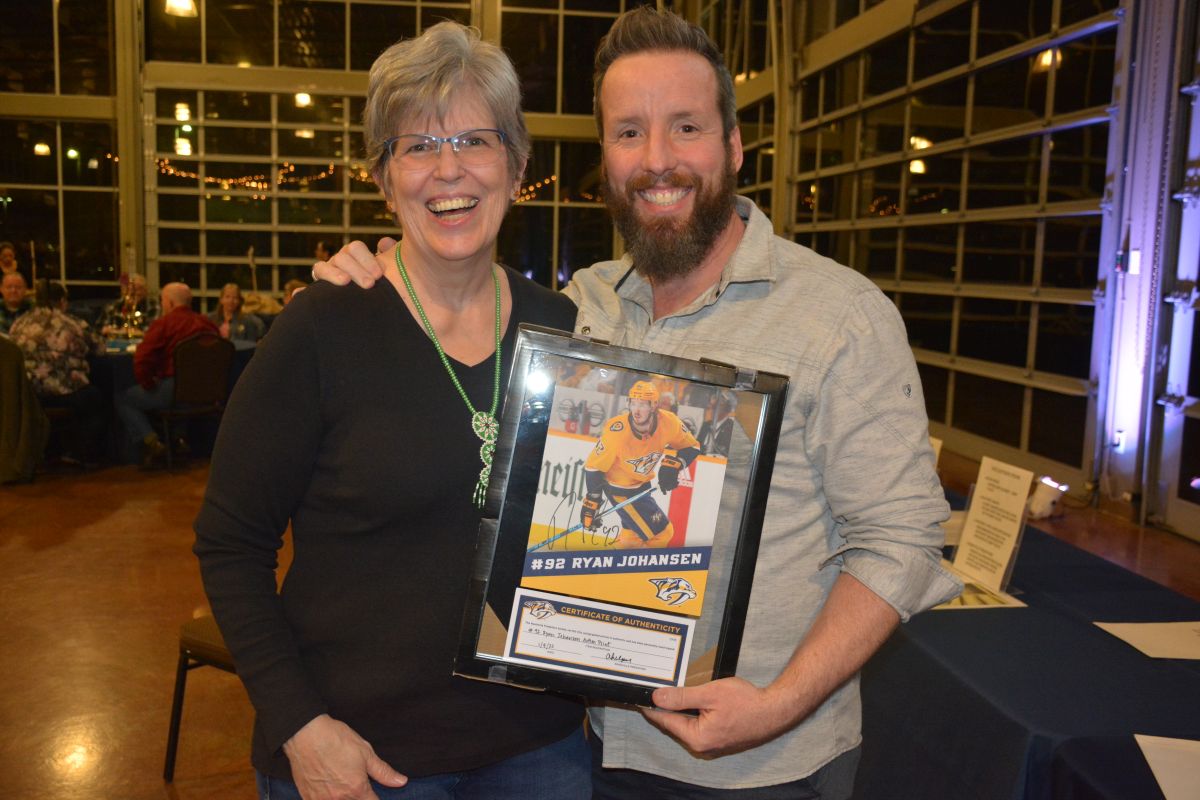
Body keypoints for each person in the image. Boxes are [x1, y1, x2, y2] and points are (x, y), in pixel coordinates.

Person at [315, 8, 960, 798]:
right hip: (588, 749)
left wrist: (777, 706)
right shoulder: (580, 309)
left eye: (685, 127)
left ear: (733, 146)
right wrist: (378, 273)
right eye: (629, 133)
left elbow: (902, 537)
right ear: (606, 158)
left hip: (761, 769)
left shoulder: (839, 316)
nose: (657, 160)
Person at [192, 22, 587, 800]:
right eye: (417, 146)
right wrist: (300, 725)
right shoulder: (321, 329)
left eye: (475, 140)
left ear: (516, 166)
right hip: (361, 757)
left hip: (539, 748)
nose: (449, 169)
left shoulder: (565, 330)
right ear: (383, 178)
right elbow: (231, 544)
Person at [580, 379, 701, 549]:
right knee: (662, 534)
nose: (636, 410)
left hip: (642, 485)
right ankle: (643, 566)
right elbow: (594, 467)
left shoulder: (669, 422)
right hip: (620, 489)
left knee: (632, 538)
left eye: (642, 404)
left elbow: (692, 446)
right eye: (633, 403)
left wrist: (675, 465)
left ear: (654, 406)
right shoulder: (617, 432)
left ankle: (619, 565)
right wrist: (591, 503)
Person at [114, 282, 218, 468]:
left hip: (173, 391)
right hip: (206, 392)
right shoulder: (208, 324)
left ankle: (150, 441)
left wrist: (148, 383)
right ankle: (178, 438)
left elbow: (142, 359)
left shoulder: (164, 324)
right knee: (181, 393)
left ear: (169, 303)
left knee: (123, 399)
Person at [9, 281, 107, 464]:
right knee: (95, 397)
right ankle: (84, 453)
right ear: (62, 301)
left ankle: (48, 450)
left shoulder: (19, 323)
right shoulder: (72, 323)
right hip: (64, 391)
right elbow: (100, 348)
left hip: (30, 393)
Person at [697, 389, 737, 458]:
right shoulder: (705, 425)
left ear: (727, 409)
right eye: (711, 406)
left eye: (715, 407)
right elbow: (696, 446)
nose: (711, 410)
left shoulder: (731, 428)